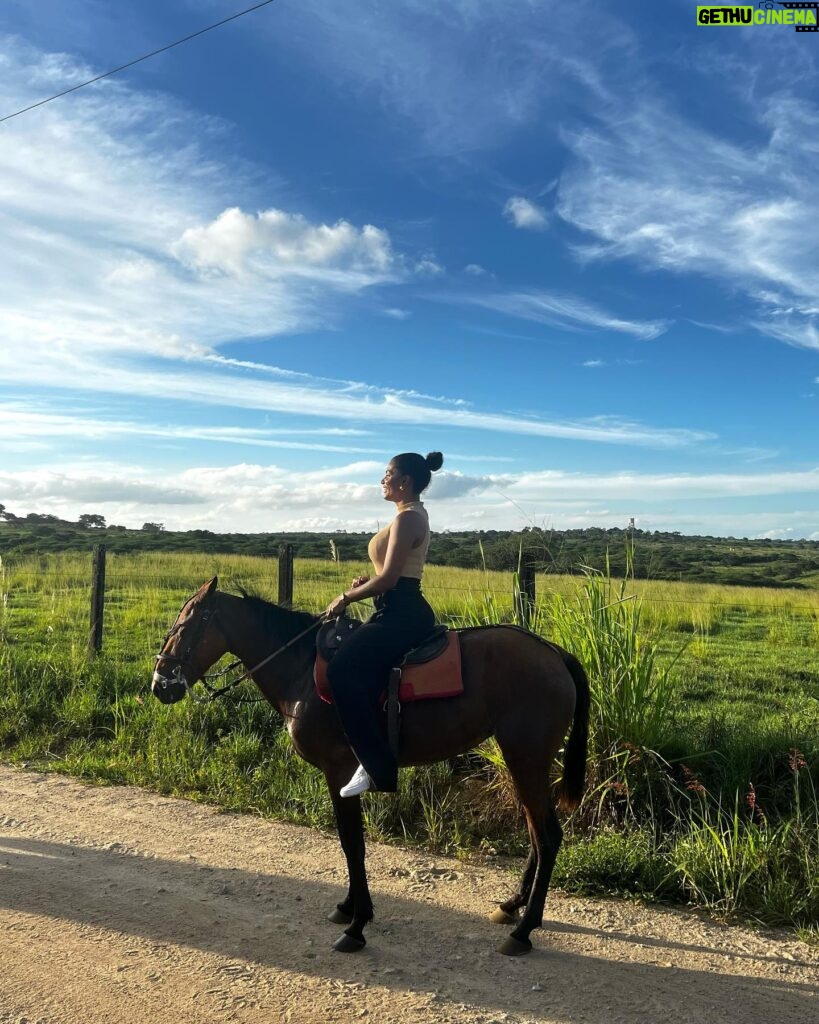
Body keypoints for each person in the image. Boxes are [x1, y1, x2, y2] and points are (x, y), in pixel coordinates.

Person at [324, 451, 444, 797]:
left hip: (402, 612)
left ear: (404, 481)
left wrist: (346, 598)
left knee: (341, 671)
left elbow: (391, 579)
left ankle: (375, 765)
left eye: (387, 473)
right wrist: (367, 582)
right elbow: (388, 573)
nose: (383, 480)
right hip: (394, 609)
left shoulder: (408, 519)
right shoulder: (406, 516)